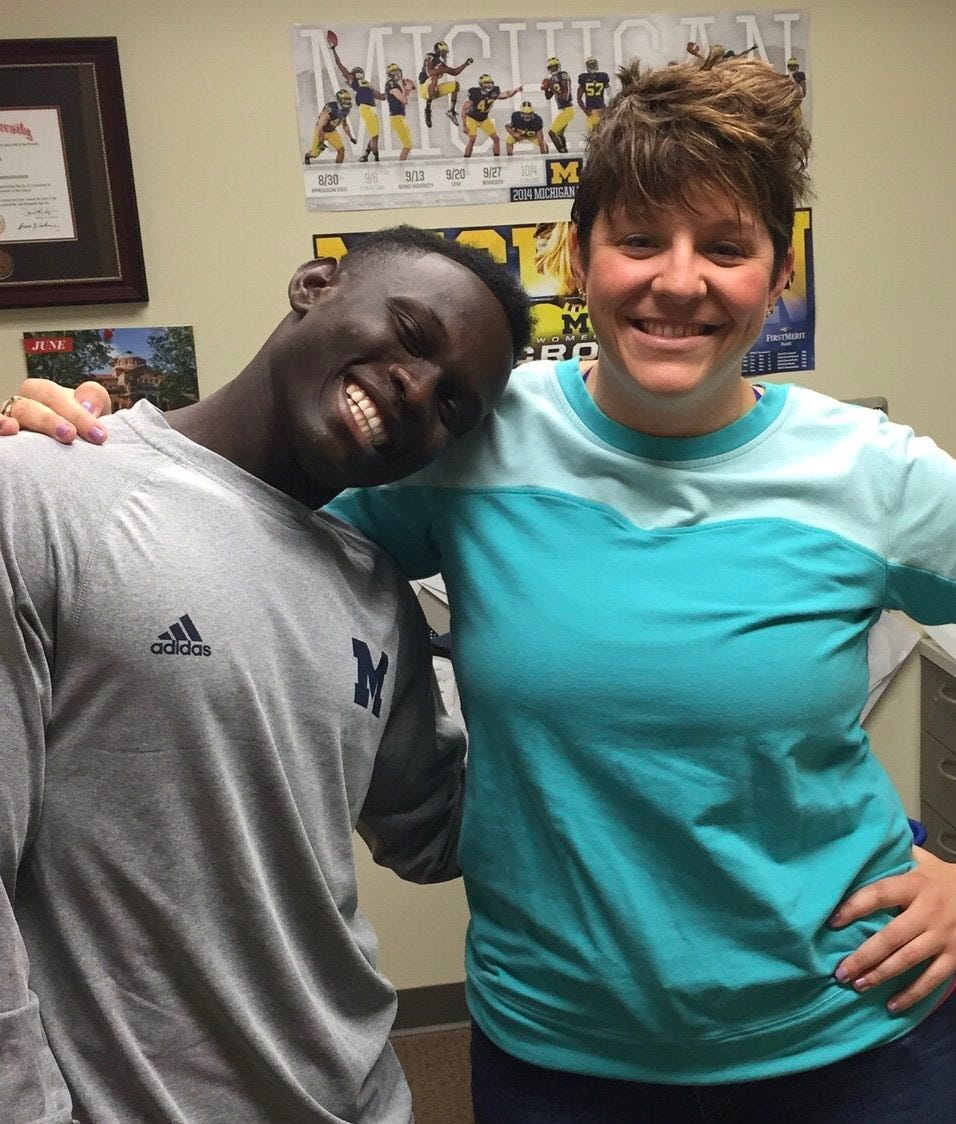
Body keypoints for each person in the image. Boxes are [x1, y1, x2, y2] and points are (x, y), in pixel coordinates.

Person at [10, 52, 956, 1121]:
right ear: (578, 256)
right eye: (638, 239)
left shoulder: (873, 475)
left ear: (776, 277)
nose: (677, 280)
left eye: (725, 248)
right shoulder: (470, 430)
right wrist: (75, 444)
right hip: (560, 1050)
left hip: (846, 1029)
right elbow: (244, 508)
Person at [0, 227, 531, 1123]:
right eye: (408, 332)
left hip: (359, 1097)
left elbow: (439, 834)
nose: (416, 389)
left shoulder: (375, 593)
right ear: (314, 284)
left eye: (454, 407)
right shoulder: (46, 486)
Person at [328, 42, 386, 162]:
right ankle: (376, 159)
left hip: (372, 109)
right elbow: (339, 65)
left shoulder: (368, 84)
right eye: (356, 72)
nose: (358, 73)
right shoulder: (352, 79)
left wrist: (392, 90)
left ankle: (365, 155)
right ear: (353, 74)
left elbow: (382, 97)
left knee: (375, 135)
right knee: (375, 136)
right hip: (365, 107)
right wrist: (333, 50)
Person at [462, 74, 523, 158]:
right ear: (481, 84)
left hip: (484, 119)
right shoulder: (474, 93)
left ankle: (496, 160)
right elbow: (464, 109)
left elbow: (506, 94)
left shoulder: (494, 91)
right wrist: (464, 125)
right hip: (472, 118)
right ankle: (466, 160)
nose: (489, 85)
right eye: (486, 83)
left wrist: (516, 90)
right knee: (472, 139)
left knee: (496, 139)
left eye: (490, 83)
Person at [418, 40, 472, 128]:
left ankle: (451, 110)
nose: (445, 54)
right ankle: (427, 110)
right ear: (438, 52)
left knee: (455, 85)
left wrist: (465, 64)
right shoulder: (431, 57)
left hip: (432, 90)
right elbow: (429, 72)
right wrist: (444, 70)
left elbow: (454, 72)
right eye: (443, 52)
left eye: (446, 52)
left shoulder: (442, 65)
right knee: (434, 78)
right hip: (424, 90)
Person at [304, 88, 356, 164]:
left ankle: (337, 172)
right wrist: (321, 142)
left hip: (332, 132)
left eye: (348, 99)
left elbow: (344, 124)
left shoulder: (346, 110)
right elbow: (319, 128)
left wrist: (351, 137)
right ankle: (307, 156)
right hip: (321, 131)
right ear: (339, 100)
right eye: (345, 99)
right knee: (314, 154)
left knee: (341, 151)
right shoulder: (330, 110)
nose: (347, 101)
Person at [541, 56, 575, 153]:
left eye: (555, 67)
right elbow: (548, 96)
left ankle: (562, 154)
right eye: (551, 68)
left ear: (558, 66)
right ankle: (566, 153)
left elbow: (564, 96)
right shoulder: (552, 78)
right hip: (562, 109)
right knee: (559, 134)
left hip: (568, 109)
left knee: (551, 132)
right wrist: (545, 88)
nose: (553, 69)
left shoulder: (563, 75)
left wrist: (551, 86)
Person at [384, 62, 415, 161]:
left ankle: (401, 167)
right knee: (407, 145)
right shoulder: (392, 84)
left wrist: (407, 88)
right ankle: (401, 169)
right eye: (394, 72)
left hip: (400, 117)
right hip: (396, 118)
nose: (397, 73)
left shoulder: (394, 84)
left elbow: (403, 97)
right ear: (390, 74)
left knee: (408, 144)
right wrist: (408, 88)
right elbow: (404, 100)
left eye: (398, 71)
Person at [576, 55, 611, 130]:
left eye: (593, 65)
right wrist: (585, 110)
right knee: (594, 135)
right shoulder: (585, 78)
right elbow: (579, 99)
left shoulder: (601, 77)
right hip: (593, 110)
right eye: (590, 65)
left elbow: (609, 94)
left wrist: (608, 107)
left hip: (600, 110)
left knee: (601, 134)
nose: (592, 67)